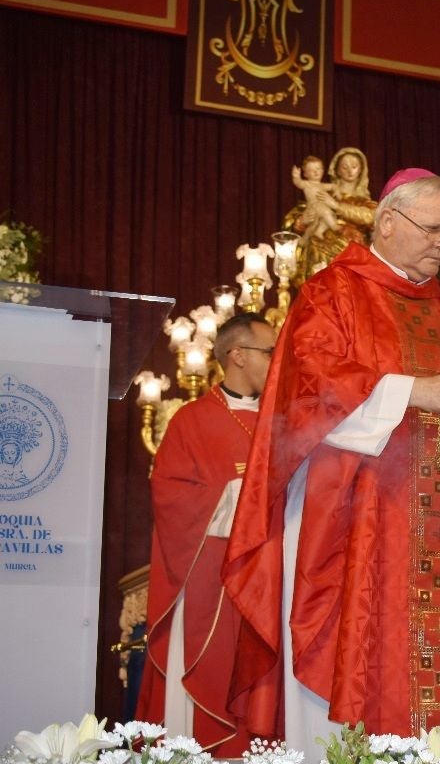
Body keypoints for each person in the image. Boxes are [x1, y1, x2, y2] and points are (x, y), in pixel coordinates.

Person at [223, 168, 440, 759]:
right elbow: (307, 390)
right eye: (433, 228)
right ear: (388, 222)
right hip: (358, 520)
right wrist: (415, 391)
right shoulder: (331, 293)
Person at [136, 312, 277, 754]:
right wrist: (244, 494)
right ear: (237, 355)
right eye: (271, 352)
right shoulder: (192, 421)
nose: (280, 361)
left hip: (276, 583)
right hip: (212, 586)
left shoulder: (285, 421)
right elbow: (171, 497)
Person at [288, 146, 378, 282]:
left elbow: (371, 217)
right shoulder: (324, 193)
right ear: (336, 170)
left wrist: (336, 206)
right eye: (344, 167)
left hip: (351, 246)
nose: (349, 171)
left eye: (354, 166)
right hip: (319, 241)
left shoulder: (365, 202)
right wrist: (303, 221)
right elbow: (297, 219)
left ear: (361, 170)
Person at [290, 155, 340, 242]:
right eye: (311, 170)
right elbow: (298, 183)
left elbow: (333, 186)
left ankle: (318, 232)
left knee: (325, 219)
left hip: (322, 207)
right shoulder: (307, 184)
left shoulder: (322, 185)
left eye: (318, 169)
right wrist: (296, 177)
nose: (316, 172)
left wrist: (337, 191)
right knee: (325, 214)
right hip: (313, 207)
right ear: (305, 174)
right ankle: (334, 226)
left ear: (323, 170)